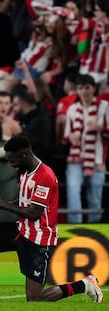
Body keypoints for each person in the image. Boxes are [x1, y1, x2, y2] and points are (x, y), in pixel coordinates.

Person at [0, 134, 104, 303]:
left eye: (12, 159)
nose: (11, 163)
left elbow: (34, 213)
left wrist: (2, 204)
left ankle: (84, 285)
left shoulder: (45, 176)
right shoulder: (23, 170)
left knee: (35, 299)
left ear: (24, 155)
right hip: (21, 230)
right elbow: (24, 201)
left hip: (39, 239)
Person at [63, 74, 109, 223]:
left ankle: (94, 228)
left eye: (87, 87)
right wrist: (71, 137)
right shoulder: (72, 109)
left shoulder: (104, 107)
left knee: (95, 197)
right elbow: (65, 137)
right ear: (77, 90)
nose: (84, 91)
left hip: (97, 160)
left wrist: (101, 128)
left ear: (94, 88)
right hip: (75, 159)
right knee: (73, 192)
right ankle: (74, 226)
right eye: (81, 88)